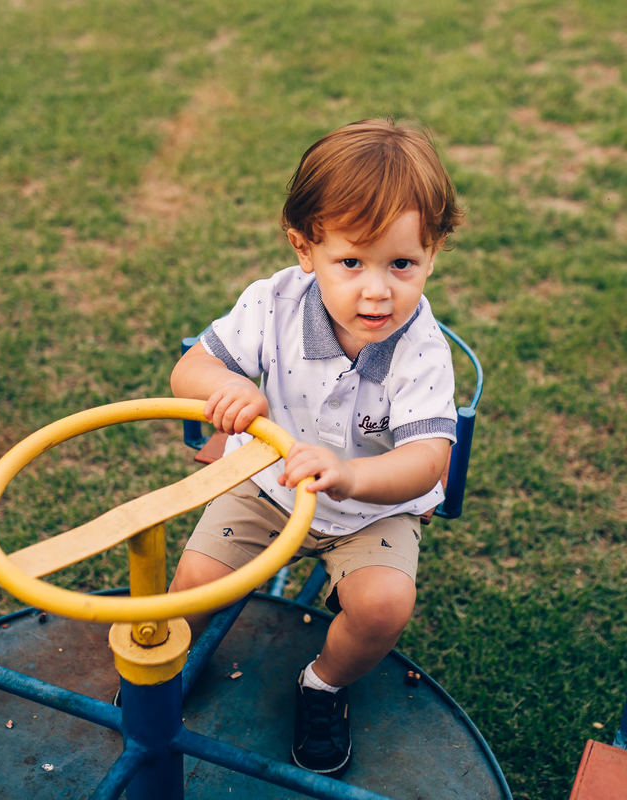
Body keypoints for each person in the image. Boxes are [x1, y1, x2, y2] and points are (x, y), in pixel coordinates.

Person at [169, 118, 463, 777]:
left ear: (433, 252)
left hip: (370, 509)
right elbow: (190, 370)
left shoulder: (421, 352)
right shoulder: (273, 302)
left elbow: (427, 461)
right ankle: (177, 660)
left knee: (383, 608)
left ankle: (324, 683)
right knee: (193, 582)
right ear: (306, 249)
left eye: (402, 264)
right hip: (268, 484)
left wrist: (350, 478)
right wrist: (226, 389)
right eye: (351, 262)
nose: (378, 289)